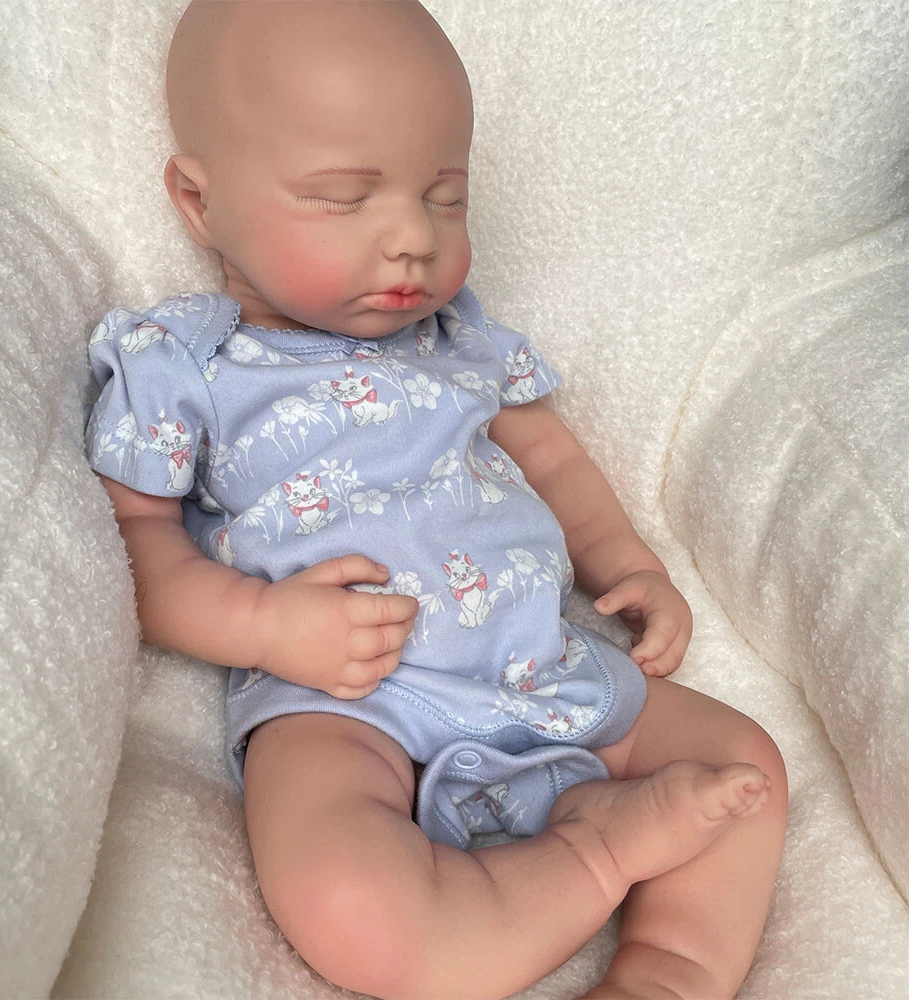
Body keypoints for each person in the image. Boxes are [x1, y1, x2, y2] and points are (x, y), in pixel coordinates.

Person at [84, 2, 787, 997]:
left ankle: (669, 973)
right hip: (345, 698)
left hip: (533, 659)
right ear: (200, 203)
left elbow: (553, 460)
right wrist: (263, 624)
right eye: (343, 198)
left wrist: (631, 565)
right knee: (352, 905)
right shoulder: (186, 362)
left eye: (444, 197)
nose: (413, 237)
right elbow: (134, 546)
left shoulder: (458, 337)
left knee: (743, 764)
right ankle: (595, 852)